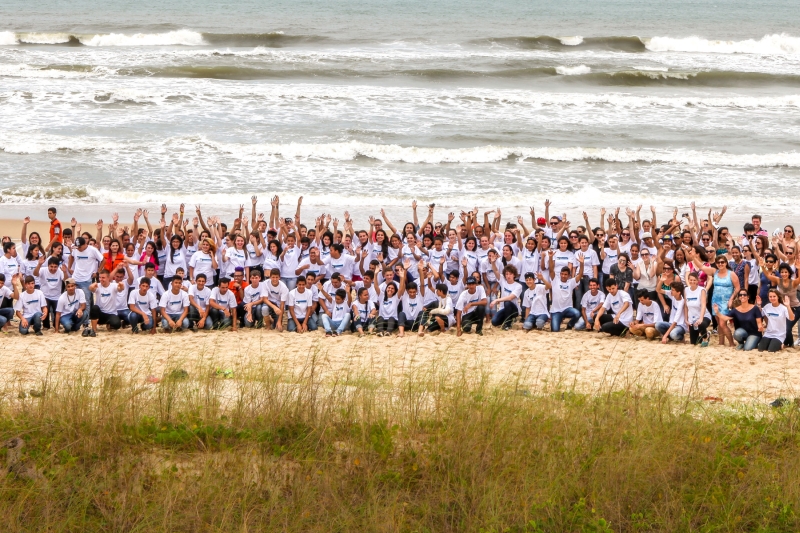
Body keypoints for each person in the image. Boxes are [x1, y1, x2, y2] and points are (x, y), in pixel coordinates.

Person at [548, 251, 585, 332]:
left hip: (567, 309)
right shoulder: (555, 280)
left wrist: (582, 264)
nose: (563, 276)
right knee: (555, 330)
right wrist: (550, 258)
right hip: (556, 310)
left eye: (565, 274)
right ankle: (558, 320)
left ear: (569, 275)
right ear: (560, 274)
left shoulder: (571, 282)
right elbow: (551, 270)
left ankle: (570, 325)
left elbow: (580, 274)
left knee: (577, 313)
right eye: (562, 274)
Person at [87, 268, 126, 336]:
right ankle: (94, 329)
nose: (101, 279)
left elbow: (120, 289)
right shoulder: (98, 285)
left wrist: (122, 286)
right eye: (100, 277)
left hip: (111, 313)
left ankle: (109, 324)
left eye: (103, 277)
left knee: (117, 325)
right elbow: (91, 288)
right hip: (100, 314)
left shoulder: (113, 286)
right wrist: (91, 286)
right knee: (94, 308)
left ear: (108, 278)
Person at [489, 265, 522, 330]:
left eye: (510, 274)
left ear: (514, 275)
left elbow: (510, 298)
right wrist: (493, 262)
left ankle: (507, 324)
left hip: (513, 310)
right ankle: (508, 319)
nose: (508, 276)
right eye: (506, 274)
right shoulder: (503, 281)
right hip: (503, 309)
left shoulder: (518, 286)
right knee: (494, 322)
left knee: (507, 302)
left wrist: (496, 300)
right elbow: (495, 270)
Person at [684, 271, 712, 346]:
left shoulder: (702, 290)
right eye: (691, 280)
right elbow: (686, 306)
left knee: (701, 324)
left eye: (694, 280)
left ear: (698, 280)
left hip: (704, 316)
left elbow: (703, 305)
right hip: (692, 318)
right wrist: (686, 319)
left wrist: (701, 318)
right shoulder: (686, 290)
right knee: (694, 342)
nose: (692, 281)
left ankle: (705, 338)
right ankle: (707, 335)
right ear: (688, 280)